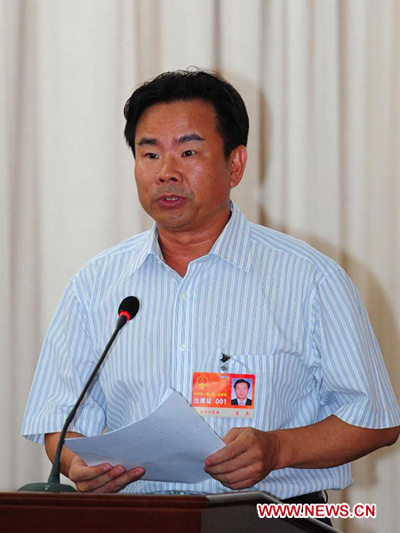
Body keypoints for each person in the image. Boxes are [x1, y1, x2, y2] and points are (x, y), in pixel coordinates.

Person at [22, 69, 400, 505]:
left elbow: (375, 418)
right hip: (140, 520)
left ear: (234, 164)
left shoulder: (311, 279)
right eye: (150, 155)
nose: (166, 172)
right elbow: (60, 422)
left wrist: (278, 448)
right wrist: (75, 465)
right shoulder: (95, 285)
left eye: (188, 151)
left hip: (273, 520)